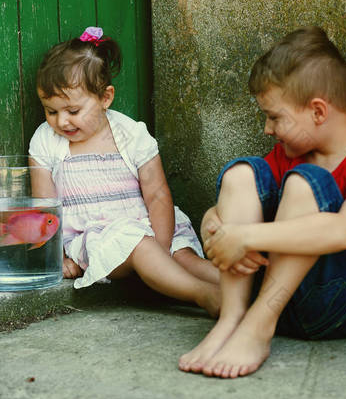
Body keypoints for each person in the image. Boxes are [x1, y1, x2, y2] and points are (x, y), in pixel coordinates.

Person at [178, 26, 346, 378]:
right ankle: (231, 318)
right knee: (241, 173)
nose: (268, 129)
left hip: (343, 304)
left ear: (318, 111)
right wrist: (216, 223)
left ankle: (258, 328)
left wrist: (247, 238)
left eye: (274, 117)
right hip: (275, 292)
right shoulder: (290, 153)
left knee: (306, 183)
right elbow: (240, 201)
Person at [28, 27, 220, 316]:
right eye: (51, 111)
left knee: (186, 260)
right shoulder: (46, 141)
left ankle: (248, 291)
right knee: (140, 247)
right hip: (99, 237)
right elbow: (45, 208)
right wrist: (57, 258)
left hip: (154, 227)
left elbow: (157, 194)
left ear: (105, 98)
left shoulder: (132, 135)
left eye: (72, 110)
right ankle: (204, 296)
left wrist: (163, 246)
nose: (61, 121)